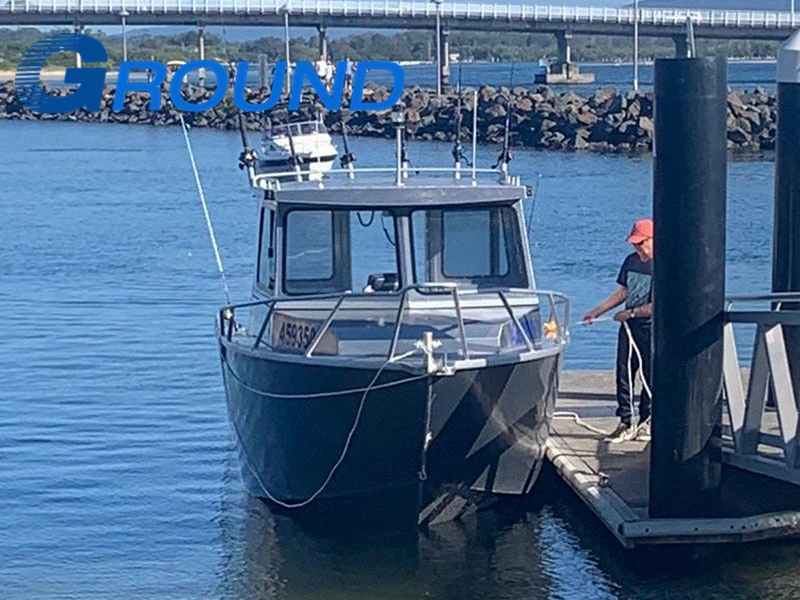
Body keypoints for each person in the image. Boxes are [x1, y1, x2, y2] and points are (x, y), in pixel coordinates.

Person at [583, 218, 654, 443]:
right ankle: (625, 420)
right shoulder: (630, 261)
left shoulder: (663, 265)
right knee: (624, 373)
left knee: (649, 375)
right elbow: (622, 293)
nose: (637, 247)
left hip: (649, 328)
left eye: (641, 243)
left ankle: (646, 421)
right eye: (634, 243)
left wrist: (632, 313)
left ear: (652, 240)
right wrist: (597, 311)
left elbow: (660, 304)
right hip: (628, 327)